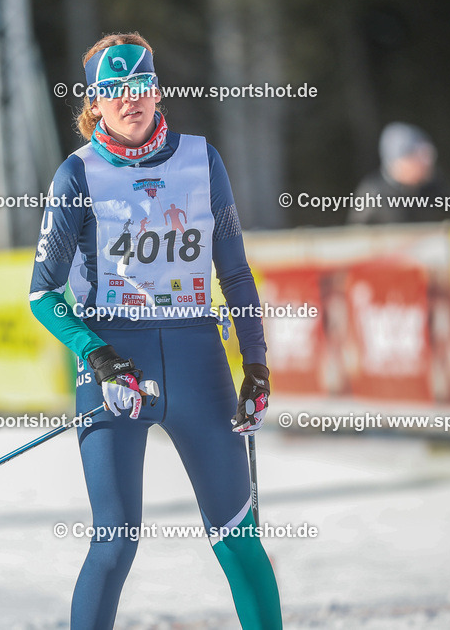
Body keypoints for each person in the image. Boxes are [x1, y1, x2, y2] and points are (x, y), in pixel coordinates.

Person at [29, 32, 282, 629]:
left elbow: (235, 271)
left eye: (139, 85)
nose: (130, 101)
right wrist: (97, 356)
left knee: (238, 535)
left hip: (198, 363)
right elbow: (43, 294)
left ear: (157, 90)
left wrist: (257, 364)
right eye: (114, 91)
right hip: (119, 372)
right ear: (95, 102)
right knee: (114, 543)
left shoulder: (203, 160)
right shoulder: (77, 176)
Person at [348, 121, 450, 224]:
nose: (428, 162)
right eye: (419, 156)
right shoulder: (373, 193)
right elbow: (356, 237)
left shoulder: (436, 187)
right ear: (398, 161)